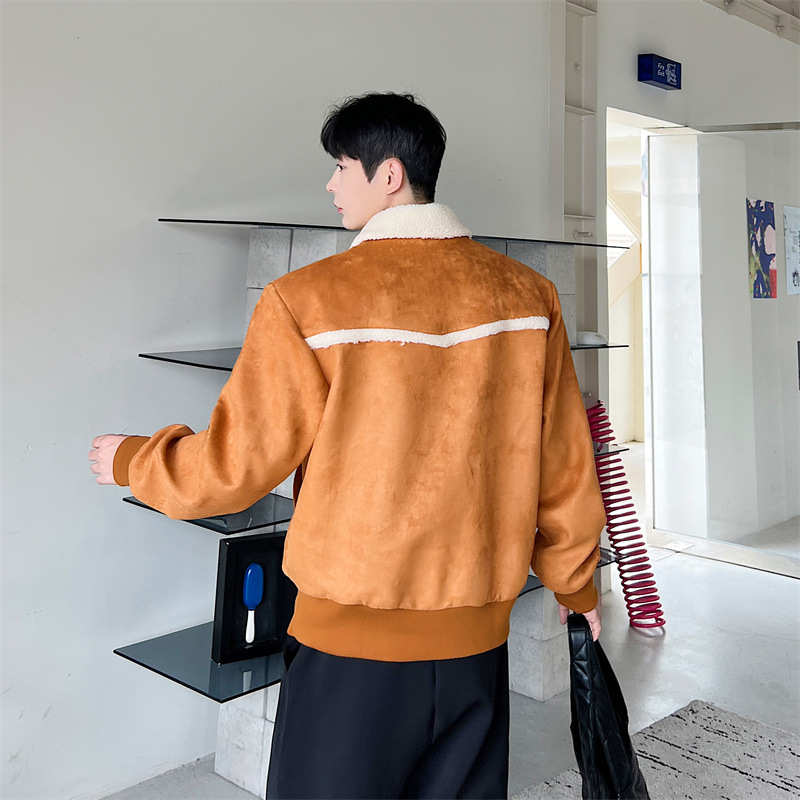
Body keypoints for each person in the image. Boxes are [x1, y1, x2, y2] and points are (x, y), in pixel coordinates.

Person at [89, 91, 606, 800]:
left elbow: (234, 468)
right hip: (476, 648)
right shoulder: (527, 297)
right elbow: (563, 464)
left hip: (349, 653)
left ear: (389, 174)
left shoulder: (306, 299)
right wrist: (575, 585)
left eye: (340, 167)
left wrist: (132, 459)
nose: (330, 184)